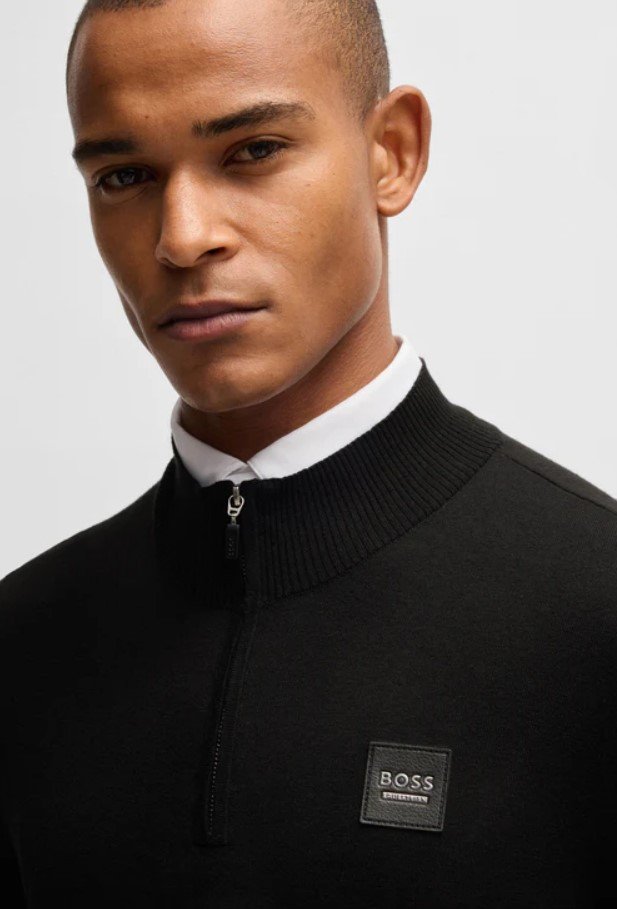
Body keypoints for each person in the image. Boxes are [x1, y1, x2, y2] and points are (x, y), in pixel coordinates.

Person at [1, 0, 615, 906]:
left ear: (392, 152)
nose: (182, 236)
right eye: (124, 175)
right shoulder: (22, 644)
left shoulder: (594, 614)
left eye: (252, 151)